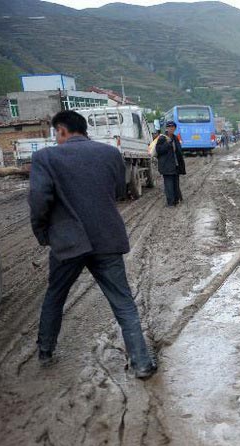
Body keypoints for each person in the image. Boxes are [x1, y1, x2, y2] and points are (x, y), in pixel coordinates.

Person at [28, 110, 157, 379]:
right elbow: (119, 191)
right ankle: (142, 363)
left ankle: (45, 352)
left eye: (56, 133)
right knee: (123, 303)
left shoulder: (45, 158)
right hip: (106, 238)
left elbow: (39, 201)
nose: (56, 138)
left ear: (62, 130)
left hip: (67, 243)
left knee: (55, 297)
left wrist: (44, 234)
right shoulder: (110, 153)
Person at [155, 120, 185, 207]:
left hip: (175, 165)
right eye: (169, 127)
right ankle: (170, 202)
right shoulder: (162, 138)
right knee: (169, 185)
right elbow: (158, 150)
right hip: (166, 166)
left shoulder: (175, 138)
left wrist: (181, 164)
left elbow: (178, 151)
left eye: (173, 127)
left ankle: (176, 200)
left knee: (176, 183)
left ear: (175, 128)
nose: (171, 129)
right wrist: (168, 144)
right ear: (166, 128)